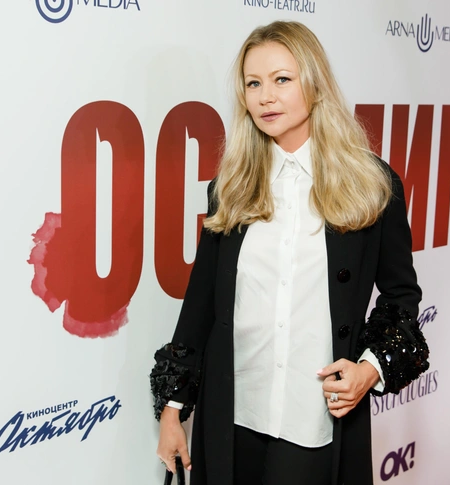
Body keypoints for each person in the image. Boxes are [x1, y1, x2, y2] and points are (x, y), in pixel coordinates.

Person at [150, 20, 425, 485]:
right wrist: (173, 410)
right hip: (232, 415)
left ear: (314, 84)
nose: (265, 97)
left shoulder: (371, 185)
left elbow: (401, 296)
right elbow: (200, 305)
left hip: (315, 418)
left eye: (281, 79)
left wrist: (368, 369)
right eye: (253, 84)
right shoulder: (231, 187)